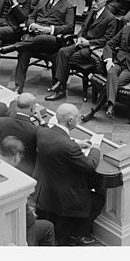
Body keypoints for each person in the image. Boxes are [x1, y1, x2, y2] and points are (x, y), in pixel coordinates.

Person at [34, 103, 104, 246]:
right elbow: (89, 165)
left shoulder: (42, 133)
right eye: (77, 118)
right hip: (66, 195)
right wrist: (95, 149)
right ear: (71, 121)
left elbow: (56, 139)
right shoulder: (69, 146)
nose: (77, 121)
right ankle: (77, 236)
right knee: (98, 200)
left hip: (45, 189)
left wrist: (77, 144)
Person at [84, 7, 130, 120]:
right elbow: (109, 44)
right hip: (118, 63)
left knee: (113, 82)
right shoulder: (125, 29)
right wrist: (108, 60)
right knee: (112, 73)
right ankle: (110, 106)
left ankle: (95, 110)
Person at [4, 0, 75, 93]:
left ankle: (15, 46)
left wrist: (50, 29)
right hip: (35, 35)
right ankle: (18, 86)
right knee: (24, 53)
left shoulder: (68, 7)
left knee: (43, 38)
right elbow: (30, 17)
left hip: (51, 41)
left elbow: (69, 27)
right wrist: (32, 25)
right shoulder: (42, 2)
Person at [46, 0, 118, 102]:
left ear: (104, 3)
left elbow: (108, 40)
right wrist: (79, 37)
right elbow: (83, 28)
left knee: (65, 59)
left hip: (93, 49)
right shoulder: (91, 12)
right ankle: (59, 83)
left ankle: (60, 88)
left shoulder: (110, 18)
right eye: (92, 0)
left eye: (96, 1)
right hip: (82, 44)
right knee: (62, 51)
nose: (93, 3)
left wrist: (88, 43)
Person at [0, 136, 55, 246]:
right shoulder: (15, 180)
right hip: (15, 229)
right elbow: (28, 219)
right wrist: (32, 213)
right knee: (48, 227)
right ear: (16, 155)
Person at [0, 93, 42, 176]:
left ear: (17, 106)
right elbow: (50, 137)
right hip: (23, 172)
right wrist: (42, 122)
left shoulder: (0, 122)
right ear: (32, 109)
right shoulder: (36, 130)